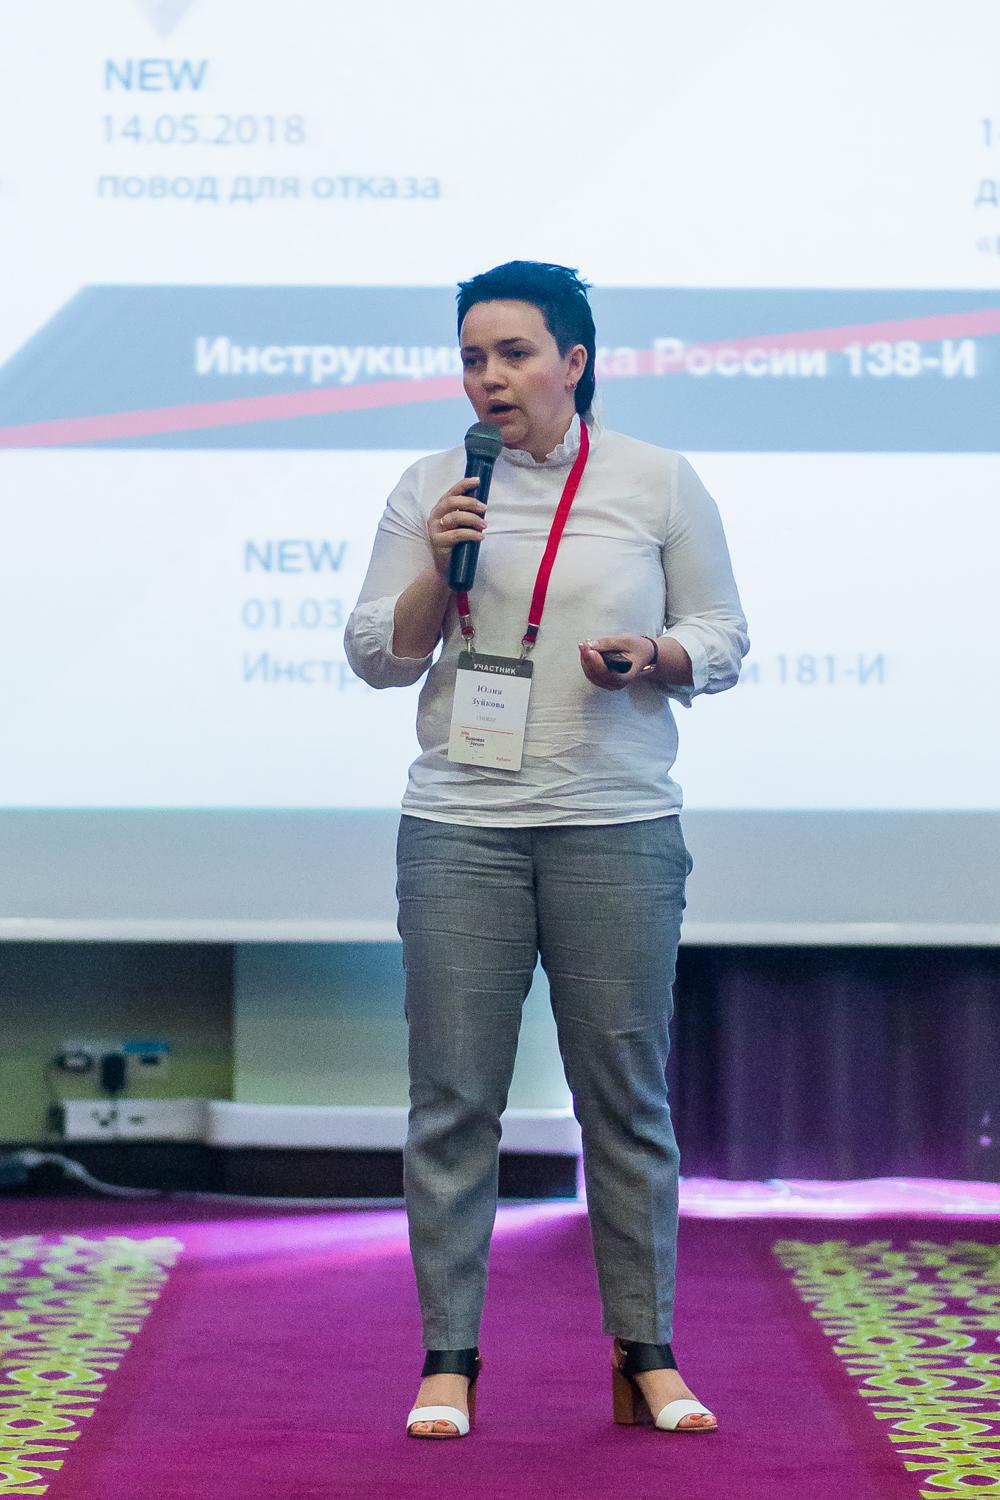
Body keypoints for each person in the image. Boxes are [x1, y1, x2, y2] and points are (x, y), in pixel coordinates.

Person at [344, 261, 748, 1439]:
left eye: (514, 354)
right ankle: (448, 1360)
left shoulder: (655, 480)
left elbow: (722, 632)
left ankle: (645, 1353)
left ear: (573, 360)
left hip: (615, 824)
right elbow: (378, 656)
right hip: (459, 829)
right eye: (472, 357)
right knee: (451, 1100)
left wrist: (655, 656)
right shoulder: (432, 486)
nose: (490, 377)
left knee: (624, 1100)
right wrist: (437, 567)